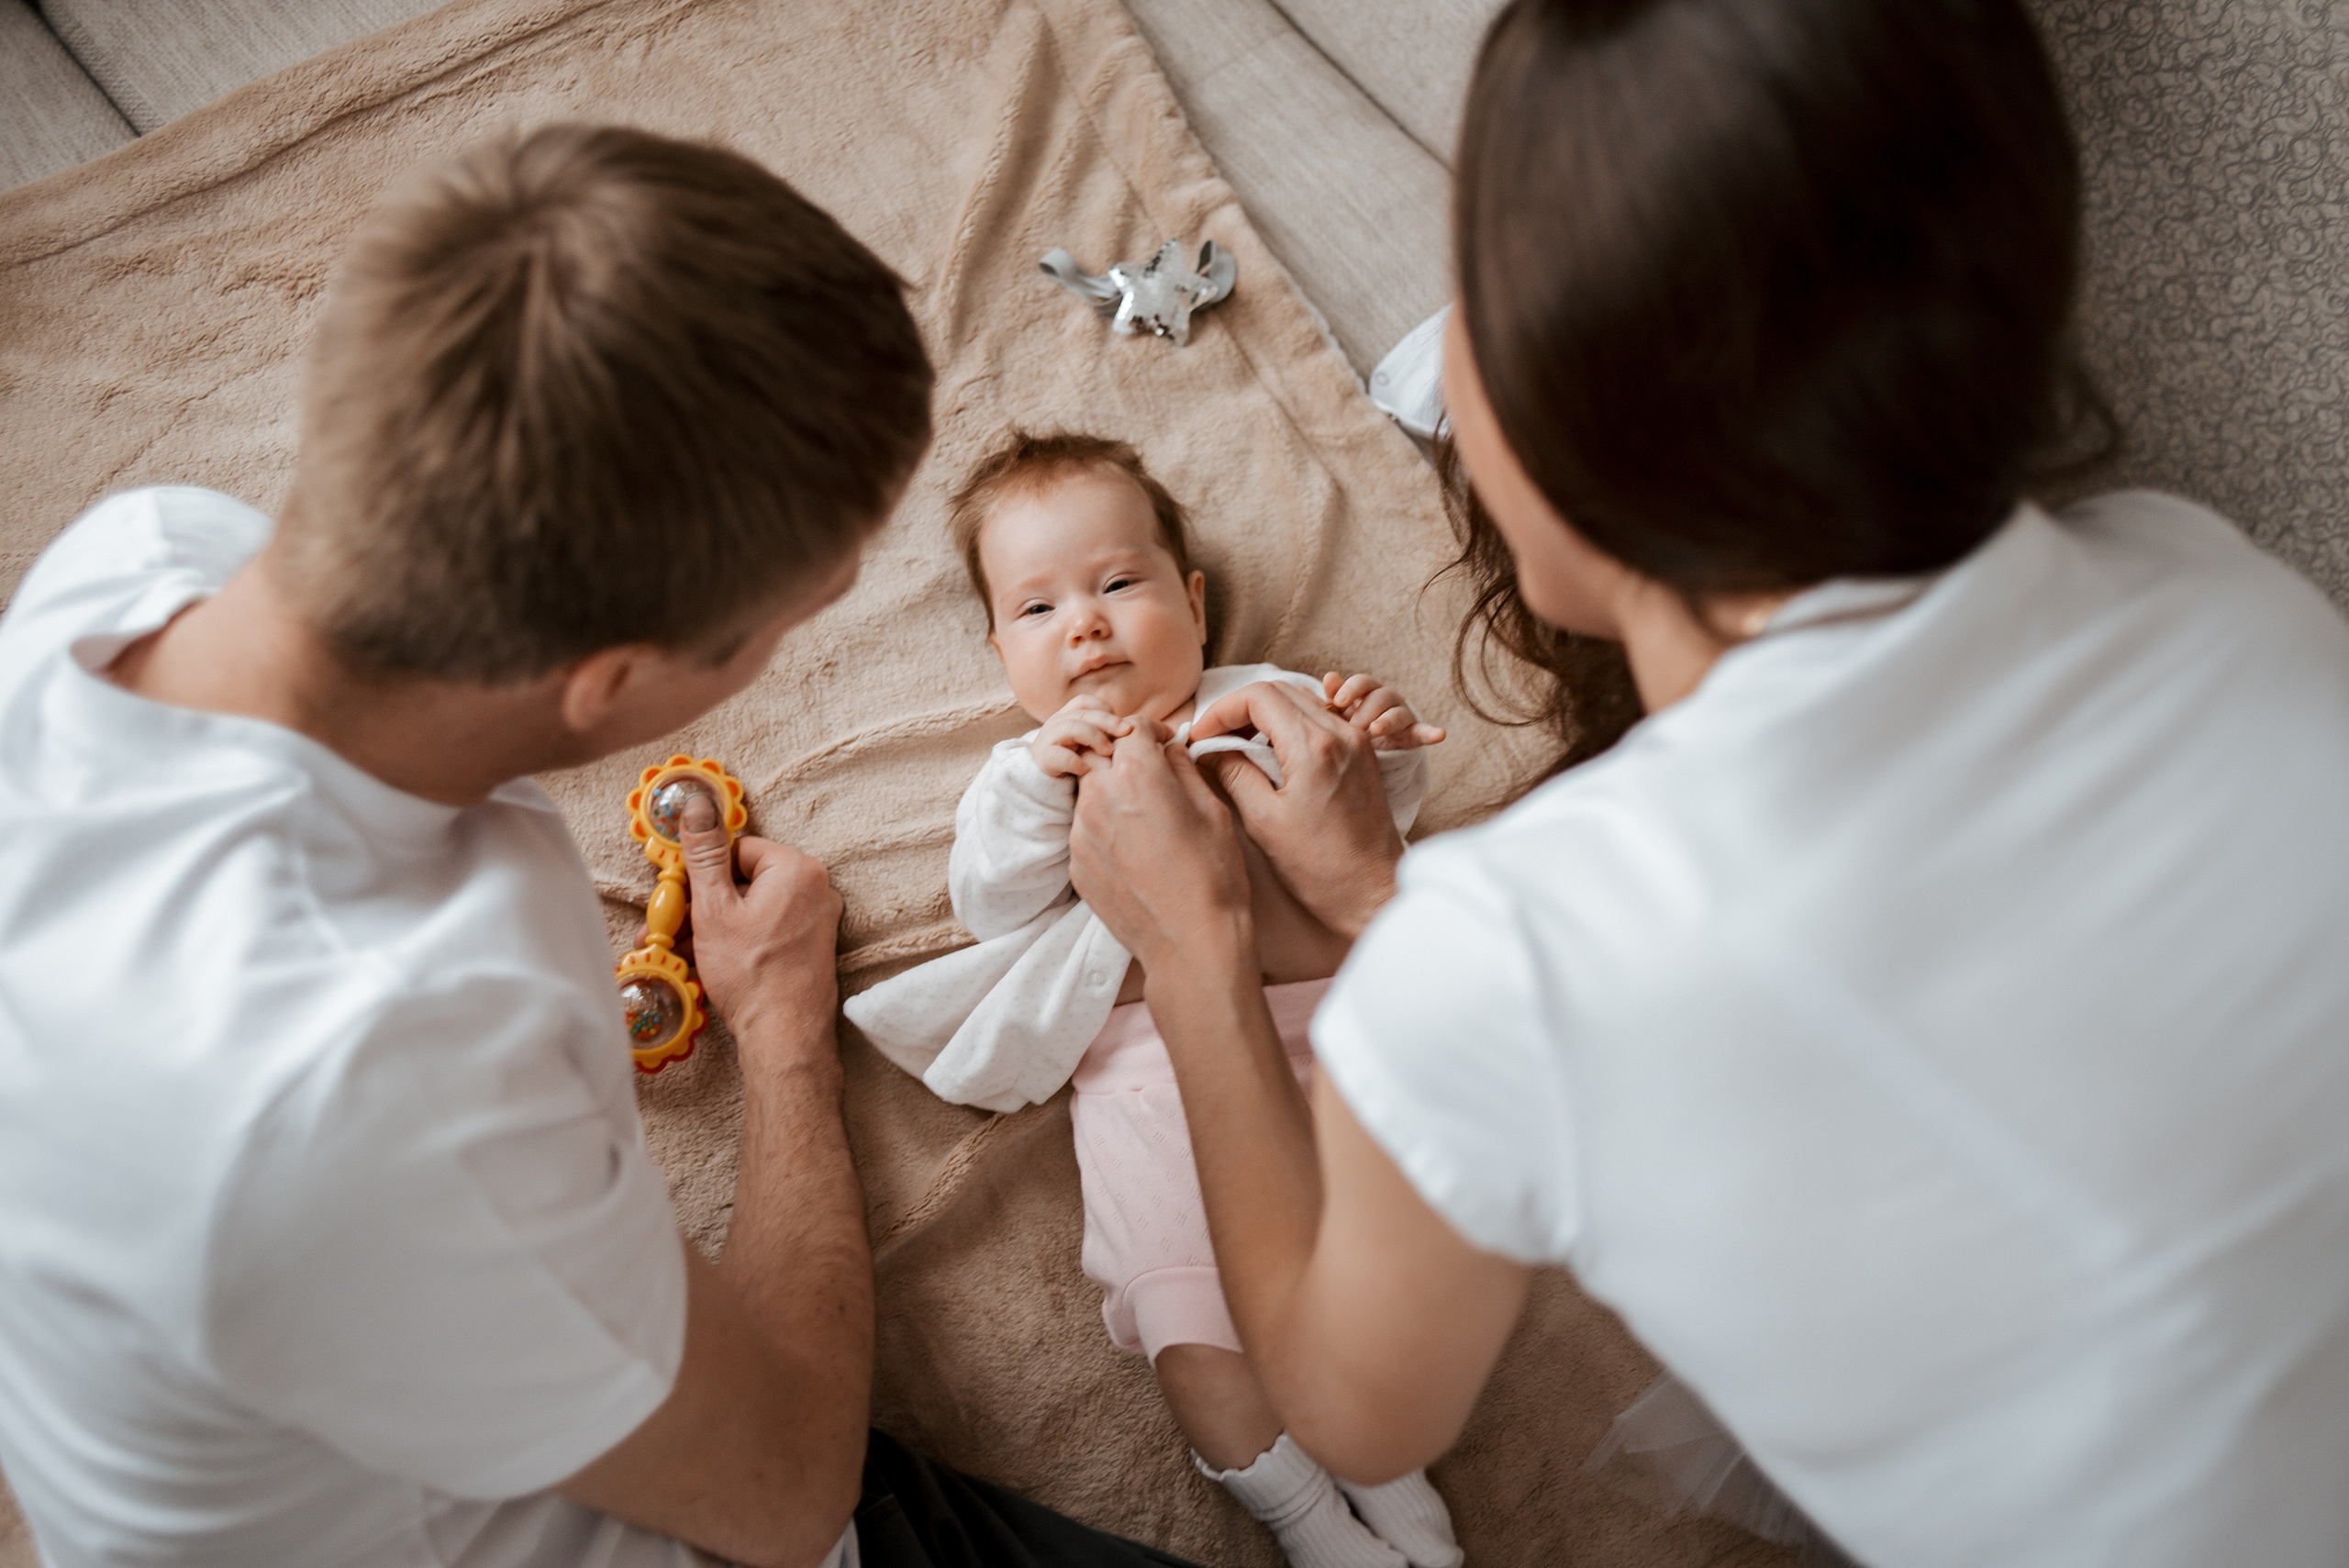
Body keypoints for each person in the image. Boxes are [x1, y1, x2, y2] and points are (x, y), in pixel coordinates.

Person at [1057, 3, 2349, 1567]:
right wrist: (1377, 907)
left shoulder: (1505, 959)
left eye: (1472, 316)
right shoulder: (2222, 588)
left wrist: (1193, 943)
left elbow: (1351, 1404)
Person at [0, 126, 1196, 1568]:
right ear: (615, 686)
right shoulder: (396, 1057)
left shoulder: (135, 568)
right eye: (793, 617)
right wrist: (780, 1032)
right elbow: (786, 1488)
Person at [844, 431, 1457, 1568]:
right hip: (1145, 1077)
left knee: (1369, 1270)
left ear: (1194, 600)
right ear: (998, 649)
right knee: (1194, 1328)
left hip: (1330, 1029)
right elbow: (989, 900)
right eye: (1036, 609)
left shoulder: (1268, 698)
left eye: (1119, 583)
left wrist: (1373, 738)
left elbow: (1380, 821)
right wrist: (1038, 789)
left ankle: (1384, 1463)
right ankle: (1306, 1515)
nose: (1083, 623)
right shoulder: (1025, 771)